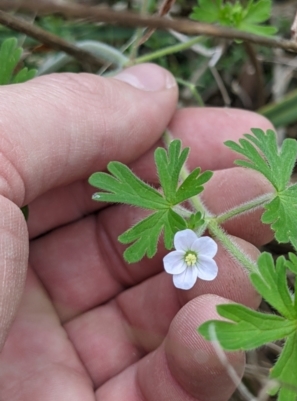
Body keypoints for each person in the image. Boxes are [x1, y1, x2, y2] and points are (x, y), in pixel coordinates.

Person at [0, 63, 275, 400]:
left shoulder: (196, 251)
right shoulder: (188, 245)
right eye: (189, 255)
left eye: (191, 256)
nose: (190, 257)